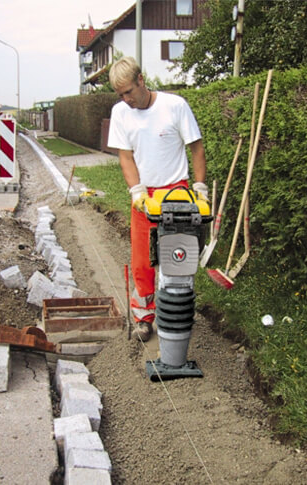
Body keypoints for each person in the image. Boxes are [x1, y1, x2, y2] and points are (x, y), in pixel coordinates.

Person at [107, 56, 208, 342]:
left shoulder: (174, 106)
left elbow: (196, 147)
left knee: (176, 257)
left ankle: (175, 312)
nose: (126, 99)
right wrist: (136, 190)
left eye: (129, 91)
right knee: (142, 261)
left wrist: (200, 187)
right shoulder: (121, 113)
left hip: (177, 192)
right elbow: (125, 156)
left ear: (141, 80)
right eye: (120, 94)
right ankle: (144, 317)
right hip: (145, 197)